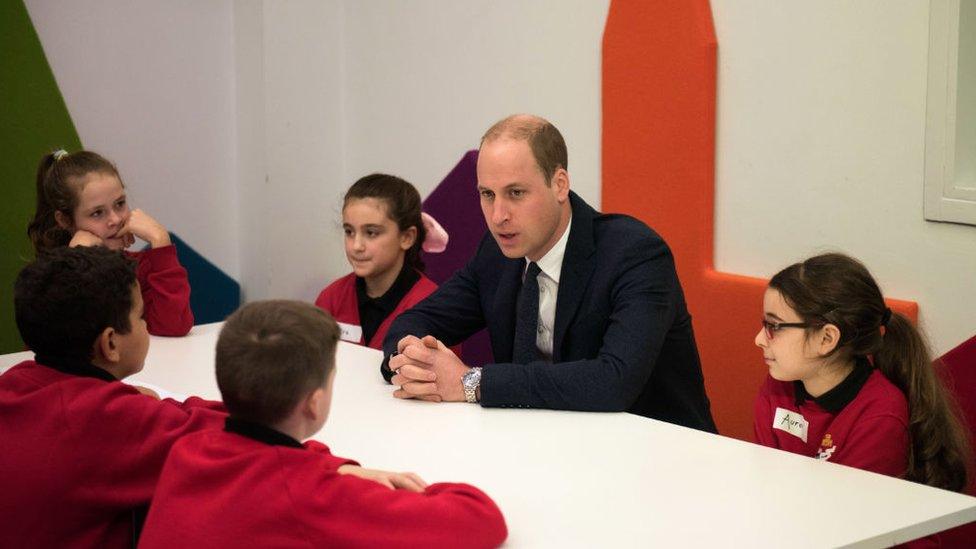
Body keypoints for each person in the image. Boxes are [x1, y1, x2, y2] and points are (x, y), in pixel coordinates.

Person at [384, 114, 716, 432]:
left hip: (659, 457)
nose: (498, 215)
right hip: (542, 446)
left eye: (516, 193)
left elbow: (613, 381)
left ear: (559, 184)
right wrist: (413, 363)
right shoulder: (497, 253)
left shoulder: (635, 254)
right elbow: (413, 322)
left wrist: (472, 383)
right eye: (488, 194)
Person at [138, 300, 508, 548]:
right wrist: (420, 489)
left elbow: (268, 459)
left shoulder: (188, 451)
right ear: (315, 403)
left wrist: (339, 468)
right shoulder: (312, 496)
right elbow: (482, 520)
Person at [0, 246, 226, 548]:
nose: (145, 326)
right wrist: (148, 407)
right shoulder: (103, 420)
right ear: (110, 343)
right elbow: (239, 432)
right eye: (141, 317)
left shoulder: (15, 383)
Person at [753, 253, 969, 492]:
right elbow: (766, 485)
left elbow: (842, 515)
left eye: (773, 326)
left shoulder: (880, 416)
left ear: (826, 338)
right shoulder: (778, 386)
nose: (759, 339)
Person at [27, 149, 194, 336]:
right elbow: (60, 344)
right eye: (97, 213)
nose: (115, 219)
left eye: (120, 203)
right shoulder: (47, 280)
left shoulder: (141, 267)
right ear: (65, 221)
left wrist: (161, 242)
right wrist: (74, 267)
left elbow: (174, 327)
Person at [316, 173, 450, 350]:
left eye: (371, 233)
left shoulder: (434, 305)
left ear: (407, 237)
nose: (356, 246)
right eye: (349, 231)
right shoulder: (331, 298)